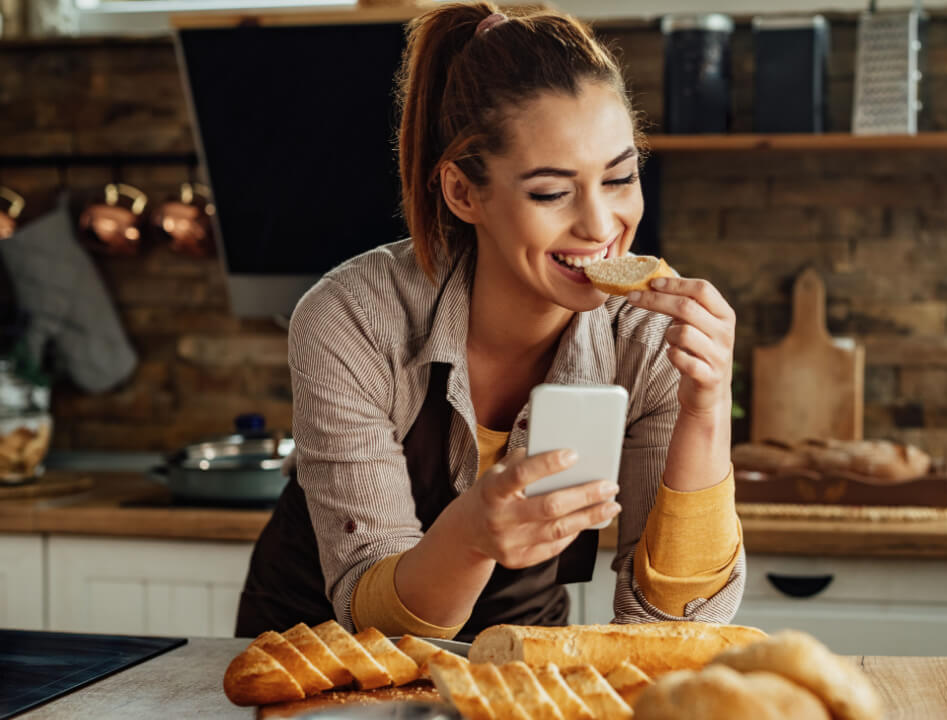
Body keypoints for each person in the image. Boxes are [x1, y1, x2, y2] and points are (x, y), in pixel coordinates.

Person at [235, 1, 744, 641]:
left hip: (517, 651)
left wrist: (707, 406)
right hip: (317, 654)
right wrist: (472, 534)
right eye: (551, 192)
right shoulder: (352, 318)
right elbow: (373, 617)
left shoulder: (649, 339)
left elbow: (671, 628)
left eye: (619, 178)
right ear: (463, 192)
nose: (599, 226)